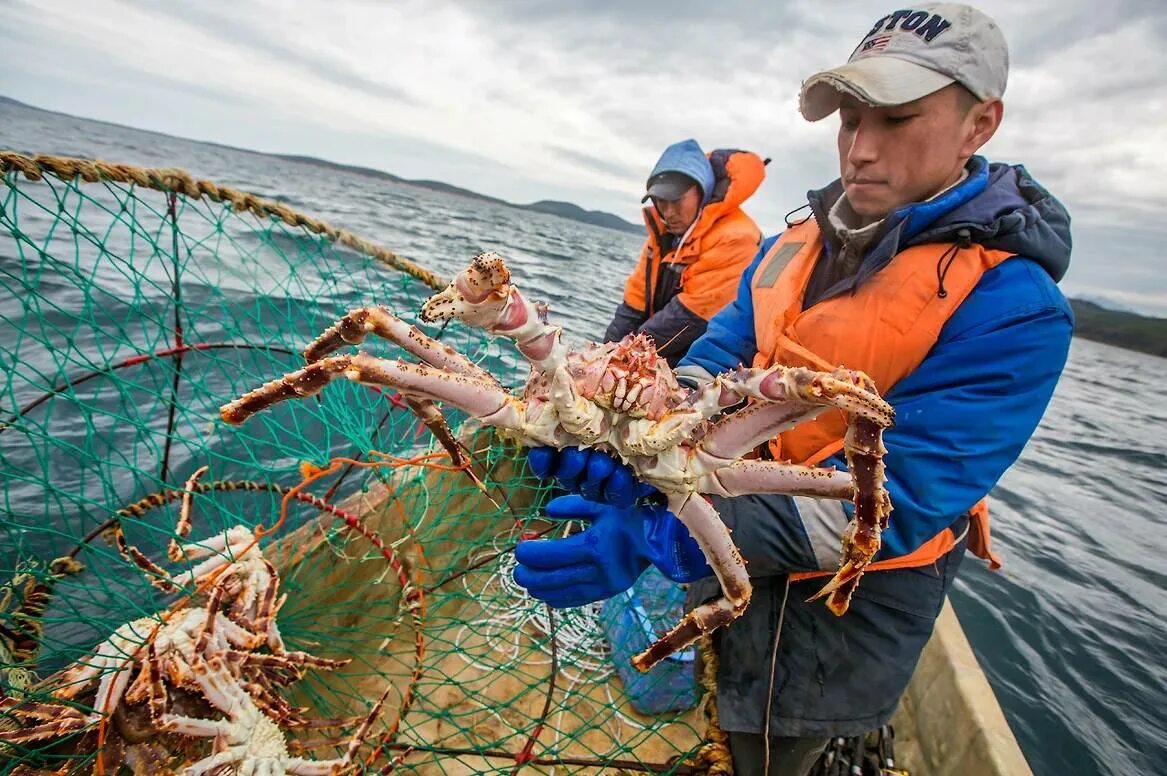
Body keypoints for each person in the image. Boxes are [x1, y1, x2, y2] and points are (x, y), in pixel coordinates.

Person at [515, 4, 1074, 775]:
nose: (860, 150)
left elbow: (902, 498)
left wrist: (670, 534)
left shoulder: (1016, 309)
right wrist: (645, 431)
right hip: (716, 509)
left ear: (980, 124)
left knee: (766, 750)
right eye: (849, 119)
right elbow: (716, 349)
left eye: (896, 119)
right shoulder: (788, 245)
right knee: (712, 703)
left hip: (841, 617)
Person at [604, 138, 766, 366]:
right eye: (660, 201)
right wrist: (603, 356)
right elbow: (633, 305)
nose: (668, 212)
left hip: (707, 366)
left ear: (702, 191)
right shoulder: (662, 235)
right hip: (657, 355)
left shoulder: (737, 237)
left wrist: (620, 359)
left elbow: (687, 318)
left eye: (676, 200)